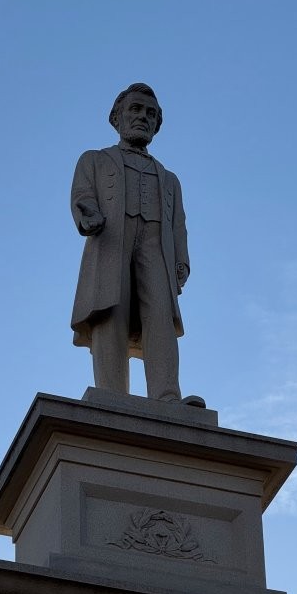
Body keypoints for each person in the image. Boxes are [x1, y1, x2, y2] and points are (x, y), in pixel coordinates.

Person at [70, 83, 201, 405]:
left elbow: (178, 223)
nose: (143, 117)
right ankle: (112, 394)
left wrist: (181, 260)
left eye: (151, 114)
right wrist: (87, 214)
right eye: (136, 109)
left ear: (157, 125)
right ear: (116, 118)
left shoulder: (168, 178)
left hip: (156, 247)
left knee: (160, 317)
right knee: (110, 310)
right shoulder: (94, 160)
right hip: (113, 240)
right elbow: (82, 195)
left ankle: (168, 395)